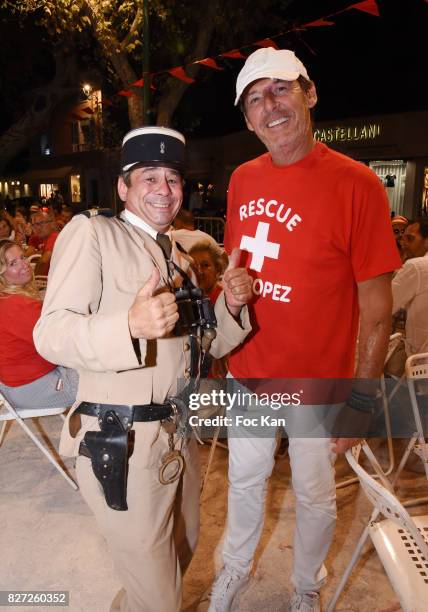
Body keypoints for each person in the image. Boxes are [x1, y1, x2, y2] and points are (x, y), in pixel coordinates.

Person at [204, 47, 400, 612]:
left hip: (319, 383)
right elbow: (240, 265)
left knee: (315, 495)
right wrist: (231, 291)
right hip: (251, 375)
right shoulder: (242, 179)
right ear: (246, 119)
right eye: (255, 100)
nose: (270, 106)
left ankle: (305, 586)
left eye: (281, 89)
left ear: (309, 93)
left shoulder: (358, 183)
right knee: (244, 481)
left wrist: (362, 397)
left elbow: (377, 305)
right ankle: (234, 570)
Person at [33, 126, 253, 612]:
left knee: (184, 549)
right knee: (159, 595)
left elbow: (206, 346)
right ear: (123, 187)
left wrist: (232, 307)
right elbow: (50, 335)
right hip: (121, 442)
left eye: (172, 179)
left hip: (178, 435)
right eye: (148, 177)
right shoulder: (93, 234)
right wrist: (127, 325)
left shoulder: (179, 259)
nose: (163, 189)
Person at [0, 240, 78, 409]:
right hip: (32, 387)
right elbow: (60, 342)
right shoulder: (16, 304)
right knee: (102, 379)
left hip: (13, 384)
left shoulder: (6, 298)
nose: (25, 264)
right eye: (13, 263)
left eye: (23, 257)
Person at [392, 218, 428, 358]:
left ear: (426, 241)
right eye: (401, 237)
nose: (403, 243)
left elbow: (386, 307)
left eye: (410, 238)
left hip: (418, 362)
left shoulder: (416, 266)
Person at [29, 210, 59, 274]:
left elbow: (44, 261)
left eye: (41, 223)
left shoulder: (54, 236)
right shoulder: (47, 238)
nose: (37, 228)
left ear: (51, 223)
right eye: (34, 225)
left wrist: (34, 277)